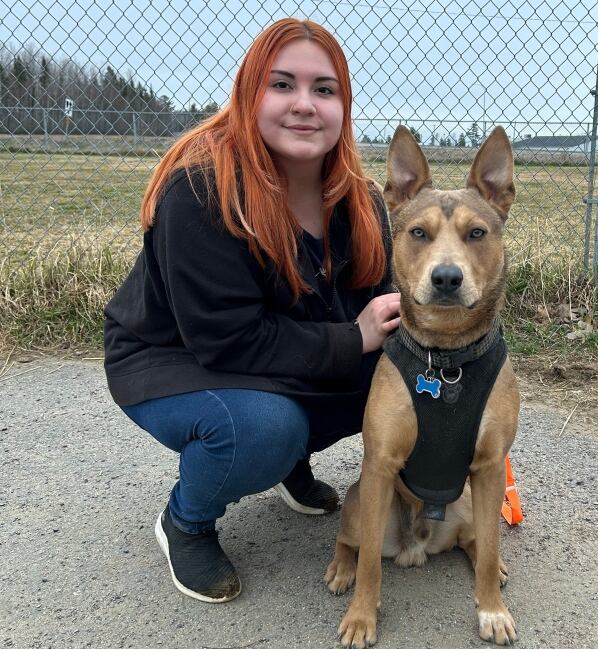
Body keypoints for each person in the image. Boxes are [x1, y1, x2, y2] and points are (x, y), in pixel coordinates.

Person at [103, 18, 401, 604]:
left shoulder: (359, 200)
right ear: (249, 93)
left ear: (344, 105)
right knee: (262, 428)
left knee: (389, 379)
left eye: (324, 89)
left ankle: (292, 463)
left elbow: (375, 314)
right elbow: (228, 342)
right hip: (172, 359)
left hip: (272, 353)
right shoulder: (201, 189)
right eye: (282, 85)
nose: (304, 105)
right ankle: (185, 521)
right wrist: (352, 342)